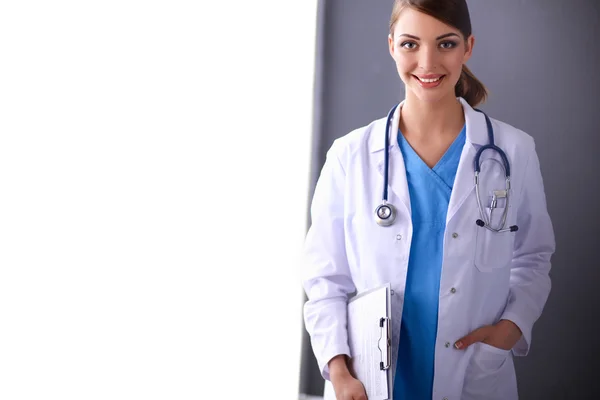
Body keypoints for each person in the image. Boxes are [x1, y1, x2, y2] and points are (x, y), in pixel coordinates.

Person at [301, 0, 555, 399]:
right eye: (410, 44)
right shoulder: (350, 157)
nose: (428, 61)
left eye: (446, 44)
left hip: (474, 374)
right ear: (391, 46)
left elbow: (534, 257)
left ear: (468, 47)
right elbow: (324, 280)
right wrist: (339, 371)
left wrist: (509, 330)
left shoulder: (513, 151)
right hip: (368, 381)